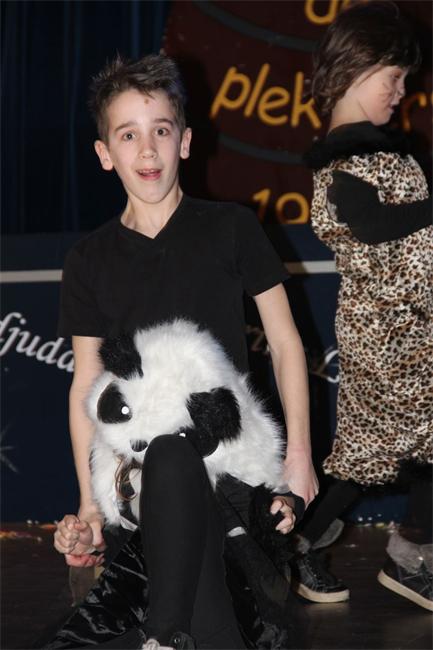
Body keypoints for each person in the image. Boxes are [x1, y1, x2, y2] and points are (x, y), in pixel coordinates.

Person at [52, 54, 318, 649]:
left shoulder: (232, 228)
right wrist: (90, 506)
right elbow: (85, 386)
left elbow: (284, 343)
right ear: (104, 153)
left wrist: (298, 459)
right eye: (128, 135)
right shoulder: (88, 261)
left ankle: (165, 634)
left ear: (186, 142)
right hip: (137, 485)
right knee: (166, 459)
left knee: (177, 454)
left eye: (161, 130)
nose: (147, 149)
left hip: (229, 475)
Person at [292, 0, 432, 611]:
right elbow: (370, 225)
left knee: (389, 451)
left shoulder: (385, 151)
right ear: (354, 68)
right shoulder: (342, 159)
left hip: (416, 329)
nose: (402, 93)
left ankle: (391, 551)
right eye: (393, 79)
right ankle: (396, 553)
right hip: (386, 334)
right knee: (381, 452)